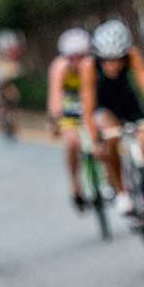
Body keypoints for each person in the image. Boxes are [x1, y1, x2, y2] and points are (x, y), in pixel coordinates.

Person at [79, 20, 144, 243]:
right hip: (103, 108)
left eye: (116, 59)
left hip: (129, 104)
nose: (112, 66)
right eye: (107, 60)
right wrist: (94, 139)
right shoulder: (88, 66)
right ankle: (121, 193)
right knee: (110, 138)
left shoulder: (132, 56)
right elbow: (87, 105)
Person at [47, 27, 92, 211]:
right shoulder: (59, 67)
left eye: (80, 56)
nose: (76, 61)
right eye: (72, 57)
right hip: (69, 108)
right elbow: (55, 96)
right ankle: (75, 185)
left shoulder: (91, 64)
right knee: (72, 143)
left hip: (89, 105)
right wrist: (55, 119)